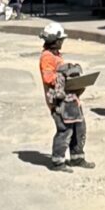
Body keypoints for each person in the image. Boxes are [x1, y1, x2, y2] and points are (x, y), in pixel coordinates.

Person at [37, 23, 90, 169]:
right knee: (65, 130)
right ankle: (58, 161)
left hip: (70, 100)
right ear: (54, 40)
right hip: (58, 102)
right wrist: (65, 73)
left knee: (79, 128)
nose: (62, 43)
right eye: (60, 40)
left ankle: (77, 158)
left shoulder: (55, 55)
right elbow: (48, 78)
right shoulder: (47, 57)